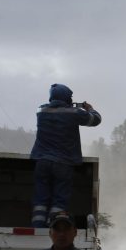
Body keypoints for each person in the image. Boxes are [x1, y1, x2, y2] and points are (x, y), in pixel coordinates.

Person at [30, 83, 101, 227]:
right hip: (63, 163)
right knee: (59, 199)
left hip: (42, 161)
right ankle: (54, 226)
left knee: (41, 199)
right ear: (67, 98)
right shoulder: (74, 113)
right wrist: (89, 109)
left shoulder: (41, 111)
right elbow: (96, 120)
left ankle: (37, 227)